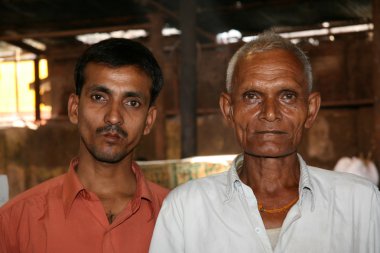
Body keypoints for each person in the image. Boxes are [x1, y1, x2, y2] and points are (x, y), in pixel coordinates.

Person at [149, 31, 380, 253]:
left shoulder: (360, 203)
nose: (270, 113)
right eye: (252, 96)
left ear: (310, 110)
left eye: (287, 96)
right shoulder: (186, 208)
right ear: (228, 109)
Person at [0, 38, 169, 253]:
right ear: (74, 108)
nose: (114, 117)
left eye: (132, 102)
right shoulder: (15, 222)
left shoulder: (177, 217)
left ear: (149, 120)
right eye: (99, 97)